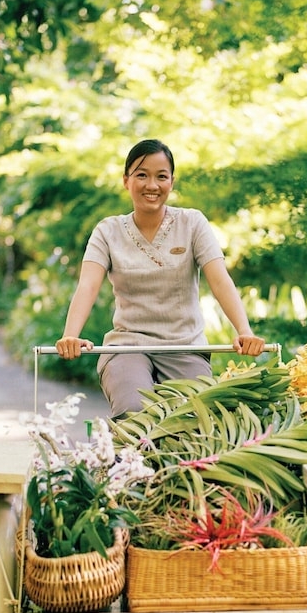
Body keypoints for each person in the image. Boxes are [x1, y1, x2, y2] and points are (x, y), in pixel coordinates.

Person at [56, 138, 265, 416]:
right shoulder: (108, 231)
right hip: (127, 347)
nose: (152, 185)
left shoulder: (192, 224)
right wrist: (71, 335)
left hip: (184, 346)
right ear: (126, 180)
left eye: (161, 177)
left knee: (192, 417)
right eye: (141, 175)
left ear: (172, 182)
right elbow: (88, 285)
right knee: (134, 410)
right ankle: (126, 460)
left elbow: (219, 280)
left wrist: (244, 331)